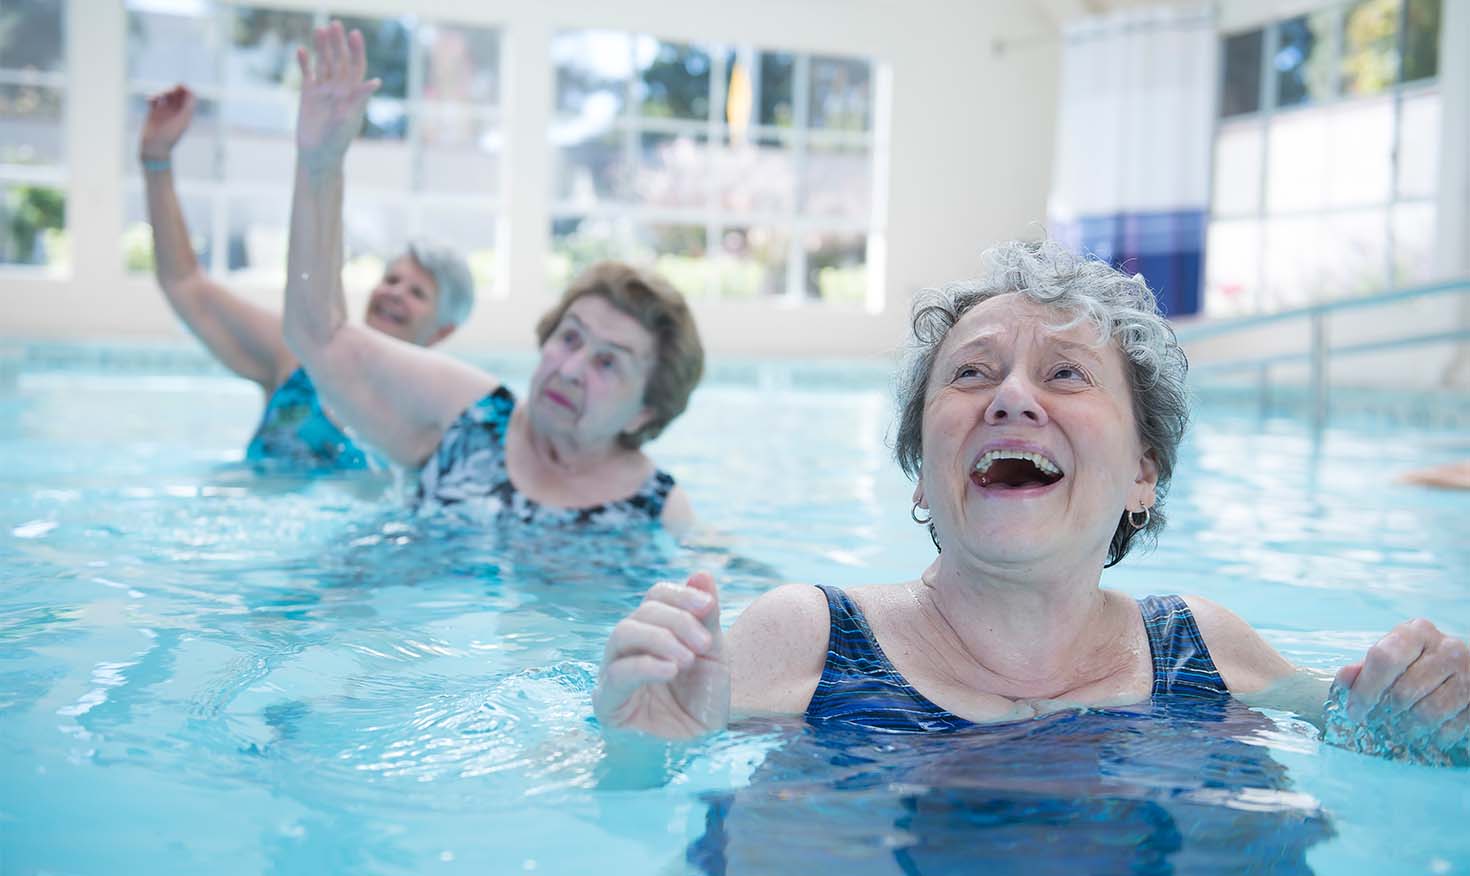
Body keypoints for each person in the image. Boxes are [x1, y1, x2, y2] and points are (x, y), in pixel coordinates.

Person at [594, 240, 1470, 761]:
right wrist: (643, 749)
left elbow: (1375, 729)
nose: (1012, 398)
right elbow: (610, 778)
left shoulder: (1200, 650)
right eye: (972, 373)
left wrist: (1424, 708)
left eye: (1065, 374)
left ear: (1143, 474)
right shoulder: (808, 641)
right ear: (921, 473)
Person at [282, 23, 701, 531]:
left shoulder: (654, 512)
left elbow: (726, 580)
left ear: (645, 413)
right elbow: (316, 336)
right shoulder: (467, 417)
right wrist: (320, 164)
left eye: (608, 363)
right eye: (570, 337)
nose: (570, 369)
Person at [138, 84, 475, 470]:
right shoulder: (297, 355)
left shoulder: (428, 423)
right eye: (392, 279)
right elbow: (185, 284)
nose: (395, 294)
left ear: (442, 332)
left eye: (418, 292)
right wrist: (156, 160)